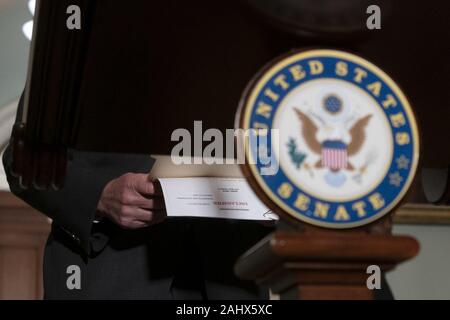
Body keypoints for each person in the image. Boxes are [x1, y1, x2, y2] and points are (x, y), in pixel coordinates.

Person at [3, 1, 276, 299]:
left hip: (231, 281)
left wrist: (279, 194)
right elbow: (22, 159)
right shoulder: (77, 35)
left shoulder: (257, 36)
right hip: (113, 277)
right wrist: (100, 196)